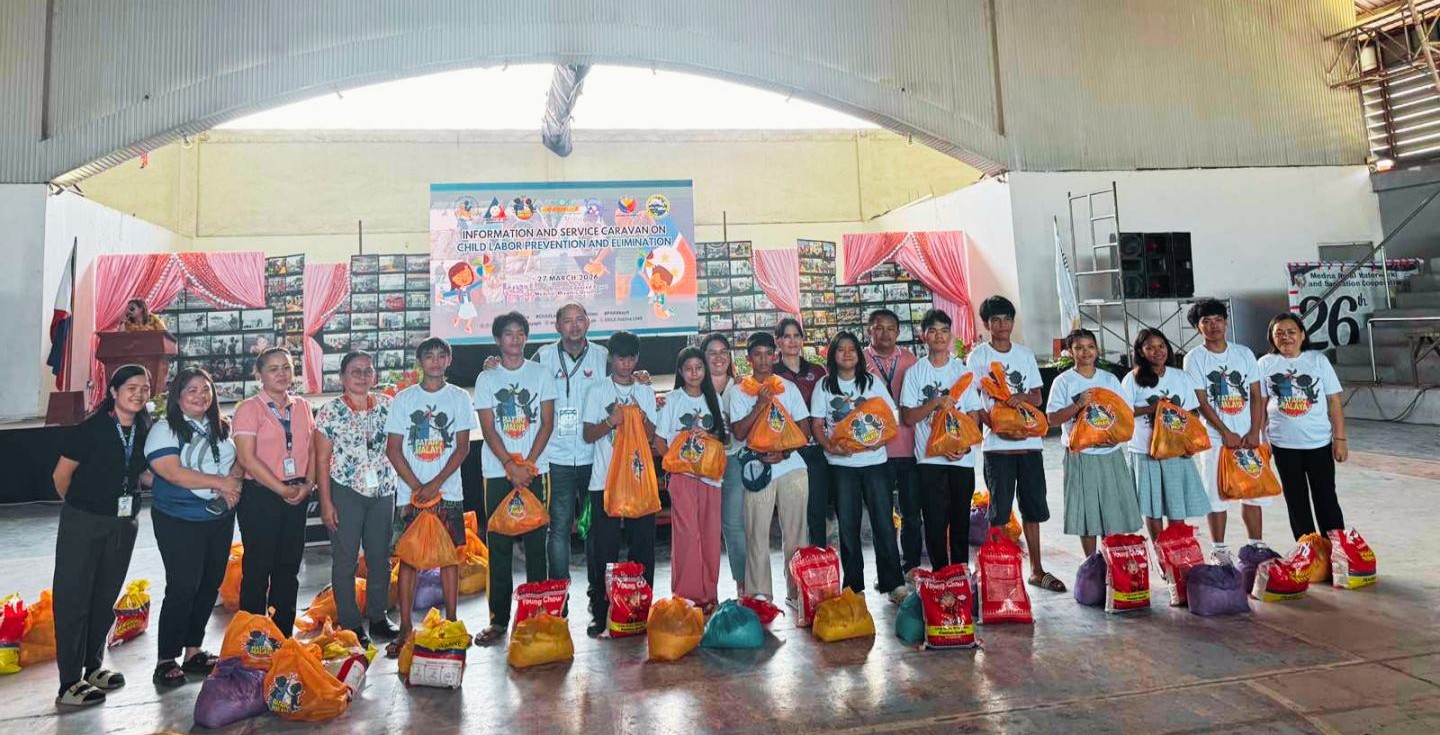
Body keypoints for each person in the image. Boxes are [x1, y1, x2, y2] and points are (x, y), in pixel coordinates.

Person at [50, 365, 151, 707]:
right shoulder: (90, 429)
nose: (138, 393)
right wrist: (83, 507)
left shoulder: (145, 429)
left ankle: (92, 667)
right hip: (85, 521)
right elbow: (61, 476)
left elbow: (144, 473)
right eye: (131, 387)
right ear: (114, 391)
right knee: (74, 597)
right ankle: (69, 682)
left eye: (144, 388)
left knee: (104, 595)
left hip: (124, 523)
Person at [144, 368, 242, 687]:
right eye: (192, 390)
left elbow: (236, 461)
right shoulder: (165, 429)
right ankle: (166, 659)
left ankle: (193, 651)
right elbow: (172, 472)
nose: (201, 396)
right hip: (179, 519)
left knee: (210, 583)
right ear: (178, 397)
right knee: (183, 585)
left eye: (206, 389)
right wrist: (221, 483)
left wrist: (234, 485)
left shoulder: (221, 426)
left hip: (219, 518)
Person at [384, 337, 476, 655]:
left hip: (448, 492)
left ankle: (451, 622)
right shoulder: (404, 399)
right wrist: (417, 487)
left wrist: (435, 484)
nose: (435, 361)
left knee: (449, 558)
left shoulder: (459, 398)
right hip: (410, 496)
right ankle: (405, 628)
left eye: (440, 355)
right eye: (429, 356)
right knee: (409, 560)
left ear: (449, 360)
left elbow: (462, 447)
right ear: (419, 361)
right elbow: (393, 449)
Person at [967, 295, 1064, 592]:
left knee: (1033, 508)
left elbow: (1036, 396)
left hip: (1031, 445)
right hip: (997, 448)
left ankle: (1036, 569)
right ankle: (1000, 571)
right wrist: (996, 426)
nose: (1001, 325)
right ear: (986, 324)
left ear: (1012, 322)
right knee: (999, 511)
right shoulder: (978, 357)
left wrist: (1020, 398)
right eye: (995, 320)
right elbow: (973, 401)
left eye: (1006, 319)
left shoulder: (1024, 354)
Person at [473, 313, 555, 645]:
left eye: (521, 333)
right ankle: (498, 620)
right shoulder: (486, 378)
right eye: (509, 334)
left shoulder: (541, 373)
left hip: (536, 471)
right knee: (499, 547)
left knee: (537, 546)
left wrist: (528, 465)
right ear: (497, 339)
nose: (515, 339)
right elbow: (488, 427)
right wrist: (510, 464)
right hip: (497, 472)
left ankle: (537, 614)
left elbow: (547, 423)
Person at [809, 331, 906, 602]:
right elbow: (817, 424)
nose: (847, 354)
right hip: (841, 465)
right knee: (848, 526)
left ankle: (894, 584)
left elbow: (892, 415)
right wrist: (830, 447)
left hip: (875, 463)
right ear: (833, 355)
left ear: (859, 354)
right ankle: (854, 586)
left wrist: (881, 440)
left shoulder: (871, 382)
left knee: (883, 522)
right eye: (841, 349)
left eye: (852, 349)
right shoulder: (824, 386)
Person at [315, 352, 400, 648]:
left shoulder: (388, 405)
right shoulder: (330, 412)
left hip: (383, 491)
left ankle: (378, 617)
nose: (362, 376)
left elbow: (397, 448)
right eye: (355, 371)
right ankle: (351, 624)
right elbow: (322, 460)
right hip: (345, 491)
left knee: (379, 558)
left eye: (367, 370)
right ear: (342, 377)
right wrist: (326, 503)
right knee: (346, 560)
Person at [582, 331, 663, 635]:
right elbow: (587, 435)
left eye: (630, 358)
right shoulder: (597, 390)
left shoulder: (644, 391)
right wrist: (610, 422)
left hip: (639, 481)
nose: (626, 364)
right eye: (620, 358)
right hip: (604, 482)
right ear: (611, 359)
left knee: (643, 548)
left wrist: (642, 418)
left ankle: (639, 608)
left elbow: (653, 435)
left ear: (636, 359)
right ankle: (601, 611)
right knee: (604, 551)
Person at [233, 348, 314, 638]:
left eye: (286, 367)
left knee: (288, 568)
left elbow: (313, 449)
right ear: (259, 374)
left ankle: (282, 635)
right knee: (258, 569)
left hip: (298, 493)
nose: (281, 374)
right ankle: (252, 639)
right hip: (261, 496)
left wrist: (309, 484)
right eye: (273, 369)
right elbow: (246, 458)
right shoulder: (249, 409)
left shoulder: (302, 406)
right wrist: (281, 489)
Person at [728, 331, 812, 604]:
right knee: (756, 532)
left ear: (775, 357)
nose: (763, 360)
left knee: (796, 533)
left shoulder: (788, 388)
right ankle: (759, 593)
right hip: (757, 470)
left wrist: (784, 451)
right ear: (748, 359)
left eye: (768, 354)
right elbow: (739, 433)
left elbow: (805, 430)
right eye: (757, 355)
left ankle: (796, 591)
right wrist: (760, 405)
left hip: (792, 467)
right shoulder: (739, 391)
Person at [1182, 299, 1269, 563]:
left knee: (1252, 491)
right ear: (1198, 328)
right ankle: (1219, 549)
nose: (1214, 326)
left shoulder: (1243, 353)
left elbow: (1256, 395)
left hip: (1248, 436)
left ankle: (1256, 545)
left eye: (1218, 320)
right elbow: (1201, 400)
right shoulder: (1194, 358)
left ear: (1226, 322)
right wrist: (1224, 431)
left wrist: (1255, 431)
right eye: (1206, 321)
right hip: (1215, 438)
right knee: (1215, 493)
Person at [1045, 329, 1142, 558]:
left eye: (1090, 346)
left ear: (1097, 350)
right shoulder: (1064, 381)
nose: (1085, 352)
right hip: (1081, 454)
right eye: (1079, 347)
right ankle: (1091, 562)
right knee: (1087, 513)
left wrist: (1114, 437)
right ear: (1070, 352)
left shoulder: (1108, 379)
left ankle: (1113, 561)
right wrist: (1077, 404)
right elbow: (1052, 419)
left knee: (1112, 511)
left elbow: (1125, 413)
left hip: (1111, 453)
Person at [901, 309, 985, 569]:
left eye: (944, 331)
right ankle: (940, 574)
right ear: (923, 335)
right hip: (929, 460)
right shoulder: (915, 372)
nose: (939, 336)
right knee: (934, 521)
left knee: (960, 520)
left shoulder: (962, 371)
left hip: (961, 460)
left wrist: (962, 446)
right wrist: (935, 403)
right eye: (933, 331)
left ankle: (960, 573)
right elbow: (908, 417)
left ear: (951, 335)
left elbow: (973, 414)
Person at [532, 303, 610, 583]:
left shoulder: (603, 356)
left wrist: (640, 379)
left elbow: (620, 385)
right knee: (559, 528)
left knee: (595, 526)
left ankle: (597, 593)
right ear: (557, 326)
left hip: (594, 456)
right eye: (568, 321)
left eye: (580, 319)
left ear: (588, 323)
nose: (574, 326)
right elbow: (521, 381)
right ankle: (559, 595)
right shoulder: (543, 357)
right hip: (556, 457)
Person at [1259, 313, 1349, 540]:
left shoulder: (1318, 360)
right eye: (1279, 333)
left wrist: (1340, 439)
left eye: (1291, 332)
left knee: (1326, 497)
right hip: (1283, 444)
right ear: (1271, 337)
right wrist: (1261, 439)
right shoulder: (1265, 363)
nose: (1285, 337)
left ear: (1302, 335)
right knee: (1296, 500)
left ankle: (1335, 547)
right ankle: (1307, 548)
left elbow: (1334, 400)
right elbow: (1260, 404)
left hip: (1318, 442)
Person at [1121, 328, 1212, 543]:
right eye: (1150, 347)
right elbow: (1123, 413)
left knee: (1176, 505)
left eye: (1161, 346)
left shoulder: (1179, 376)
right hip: (1145, 451)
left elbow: (1191, 413)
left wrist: (1189, 444)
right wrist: (1151, 409)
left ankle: (1177, 549)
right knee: (1153, 507)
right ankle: (1160, 550)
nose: (1157, 351)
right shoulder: (1132, 379)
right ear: (1140, 352)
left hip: (1175, 451)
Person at [656, 346, 729, 610]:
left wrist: (708, 437)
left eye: (699, 368)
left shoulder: (714, 398)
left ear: (705, 371)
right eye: (688, 369)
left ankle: (709, 594)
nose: (694, 373)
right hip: (682, 478)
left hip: (711, 477)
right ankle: (686, 595)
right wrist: (675, 465)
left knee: (709, 535)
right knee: (687, 535)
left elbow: (724, 438)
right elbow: (660, 440)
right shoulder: (672, 400)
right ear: (681, 372)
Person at [864, 308, 923, 576]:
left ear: (898, 332)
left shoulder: (910, 359)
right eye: (879, 328)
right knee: (882, 515)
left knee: (912, 513)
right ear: (869, 331)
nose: (885, 333)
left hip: (909, 447)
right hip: (877, 451)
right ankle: (887, 572)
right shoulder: (860, 359)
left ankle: (911, 565)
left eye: (890, 328)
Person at [771, 318, 832, 548]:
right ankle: (796, 563)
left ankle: (819, 560)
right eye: (786, 336)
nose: (792, 341)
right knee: (793, 516)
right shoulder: (772, 373)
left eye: (796, 335)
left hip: (814, 449)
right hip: (786, 452)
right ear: (778, 341)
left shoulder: (817, 371)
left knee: (817, 511)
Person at [702, 332, 748, 596]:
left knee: (733, 523)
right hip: (703, 465)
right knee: (706, 526)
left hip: (733, 461)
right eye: (712, 353)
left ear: (729, 357)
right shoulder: (696, 386)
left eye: (723, 352)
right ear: (703, 357)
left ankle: (742, 583)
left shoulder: (741, 387)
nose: (718, 358)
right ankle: (706, 588)